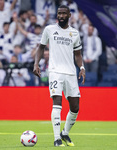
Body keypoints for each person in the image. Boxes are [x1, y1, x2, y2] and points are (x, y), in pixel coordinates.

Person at [33, 5, 86, 147]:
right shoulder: (49, 30)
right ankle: (56, 138)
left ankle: (65, 133)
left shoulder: (74, 33)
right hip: (55, 71)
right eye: (59, 13)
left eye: (63, 13)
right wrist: (36, 64)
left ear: (69, 15)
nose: (61, 16)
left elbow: (78, 54)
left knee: (75, 107)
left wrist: (81, 67)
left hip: (70, 73)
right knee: (57, 103)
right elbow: (41, 47)